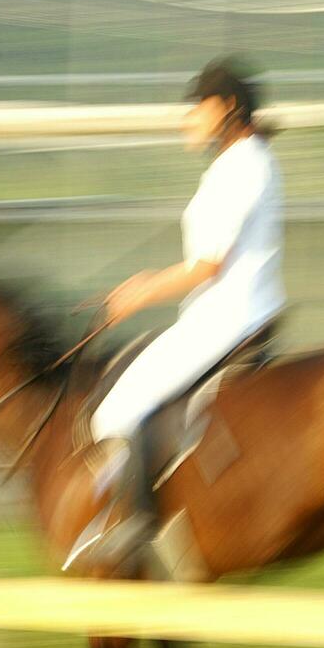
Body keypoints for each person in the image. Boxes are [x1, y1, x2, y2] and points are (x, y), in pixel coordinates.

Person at [65, 57, 287, 574]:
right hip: (219, 312)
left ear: (228, 106)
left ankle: (136, 529)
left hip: (230, 316)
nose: (187, 119)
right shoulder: (236, 163)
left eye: (197, 108)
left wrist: (140, 292)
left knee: (117, 410)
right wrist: (140, 287)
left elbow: (207, 265)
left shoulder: (245, 166)